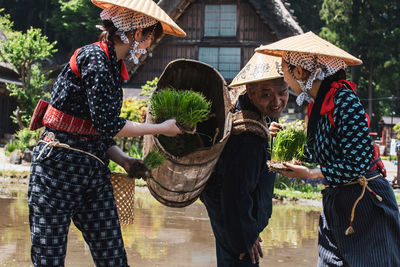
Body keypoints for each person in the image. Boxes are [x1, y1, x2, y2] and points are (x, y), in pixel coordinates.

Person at [27, 0, 186, 266]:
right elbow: (108, 124)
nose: (149, 47)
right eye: (150, 40)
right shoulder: (95, 58)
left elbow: (96, 132)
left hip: (92, 173)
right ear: (138, 35)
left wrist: (125, 161)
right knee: (48, 259)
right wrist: (161, 128)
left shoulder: (114, 68)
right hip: (57, 170)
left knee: (113, 257)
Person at [256, 31, 400, 266]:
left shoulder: (345, 100)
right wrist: (286, 138)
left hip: (365, 204)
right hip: (337, 204)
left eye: (284, 70)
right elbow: (319, 154)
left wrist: (311, 173)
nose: (284, 78)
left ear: (299, 72)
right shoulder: (317, 106)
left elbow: (359, 163)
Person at [200, 52, 289, 266]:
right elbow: (236, 193)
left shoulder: (246, 109)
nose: (277, 102)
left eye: (283, 92)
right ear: (250, 90)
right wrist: (245, 237)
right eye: (267, 95)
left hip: (231, 217)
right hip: (235, 224)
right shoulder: (248, 137)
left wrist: (268, 128)